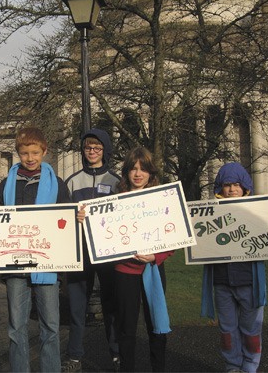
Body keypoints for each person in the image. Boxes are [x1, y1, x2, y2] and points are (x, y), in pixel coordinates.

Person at [201, 162, 268, 373]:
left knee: (251, 329)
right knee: (227, 330)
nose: (232, 189)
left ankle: (250, 366)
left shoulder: (260, 213)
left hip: (250, 282)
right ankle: (232, 366)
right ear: (220, 188)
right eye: (227, 185)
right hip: (222, 283)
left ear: (245, 187)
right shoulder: (209, 214)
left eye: (236, 185)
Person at [0, 127, 71, 372]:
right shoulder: (6, 184)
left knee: (50, 326)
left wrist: (75, 218)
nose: (30, 158)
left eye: (35, 152)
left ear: (44, 152)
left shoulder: (56, 184)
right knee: (17, 327)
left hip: (48, 266)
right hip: (15, 267)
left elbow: (66, 221)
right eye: (25, 153)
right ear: (18, 153)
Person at [62, 128, 121, 372]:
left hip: (108, 252)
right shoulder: (73, 181)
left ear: (105, 150)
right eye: (88, 148)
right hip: (80, 251)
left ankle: (117, 355)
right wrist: (71, 216)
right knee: (77, 306)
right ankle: (74, 357)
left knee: (111, 305)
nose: (92, 152)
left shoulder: (116, 181)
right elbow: (61, 218)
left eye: (97, 148)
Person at [114, 146, 173, 372]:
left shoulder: (161, 200)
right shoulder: (115, 201)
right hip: (124, 271)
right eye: (133, 169)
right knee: (126, 329)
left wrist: (155, 256)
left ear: (151, 173)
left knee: (156, 326)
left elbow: (174, 239)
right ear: (126, 172)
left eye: (143, 169)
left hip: (153, 270)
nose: (138, 174)